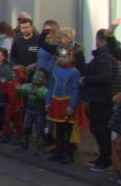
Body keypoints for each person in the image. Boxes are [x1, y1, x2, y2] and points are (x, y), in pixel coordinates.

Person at [81, 30, 116, 172]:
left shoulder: (105, 56)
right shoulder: (102, 56)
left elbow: (105, 77)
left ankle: (106, 159)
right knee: (99, 129)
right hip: (100, 98)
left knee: (99, 129)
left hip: (102, 99)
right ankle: (103, 157)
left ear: (100, 40)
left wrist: (86, 80)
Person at [46, 47, 82, 164]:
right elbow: (51, 87)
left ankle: (68, 154)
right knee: (59, 129)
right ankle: (59, 151)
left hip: (67, 102)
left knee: (68, 130)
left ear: (71, 58)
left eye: (64, 57)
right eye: (60, 57)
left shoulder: (74, 72)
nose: (61, 59)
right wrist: (48, 101)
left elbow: (75, 90)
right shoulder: (55, 70)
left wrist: (72, 105)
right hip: (56, 101)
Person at [18, 68, 49, 154]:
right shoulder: (27, 86)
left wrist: (37, 93)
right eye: (35, 75)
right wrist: (18, 90)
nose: (36, 77)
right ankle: (24, 145)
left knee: (40, 130)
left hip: (39, 111)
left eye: (40, 76)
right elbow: (20, 95)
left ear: (44, 80)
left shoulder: (44, 90)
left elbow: (45, 99)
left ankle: (41, 148)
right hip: (29, 109)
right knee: (25, 127)